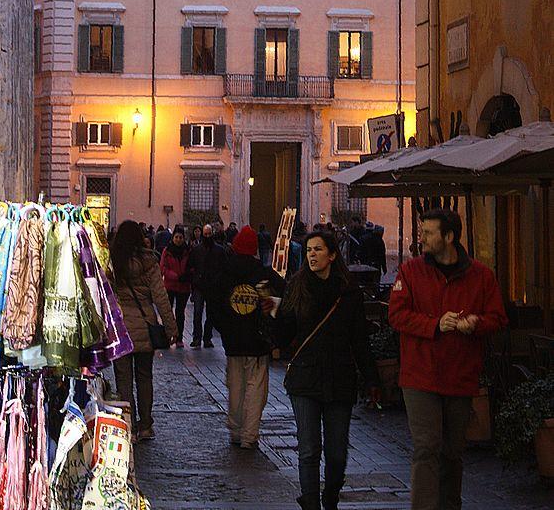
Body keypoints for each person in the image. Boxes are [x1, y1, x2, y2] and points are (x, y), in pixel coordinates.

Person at [389, 208, 507, 510]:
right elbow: (397, 315)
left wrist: (476, 323)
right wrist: (434, 324)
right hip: (420, 376)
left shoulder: (481, 276)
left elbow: (497, 317)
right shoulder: (411, 272)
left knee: (452, 453)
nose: (422, 238)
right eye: (421, 231)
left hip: (460, 376)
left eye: (428, 232)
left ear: (449, 237)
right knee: (427, 448)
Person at [264, 230, 379, 510]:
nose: (312, 255)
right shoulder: (297, 286)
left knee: (337, 453)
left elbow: (359, 340)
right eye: (309, 250)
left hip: (340, 378)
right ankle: (312, 504)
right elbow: (283, 336)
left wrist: (373, 379)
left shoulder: (348, 293)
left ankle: (331, 496)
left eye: (318, 249)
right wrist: (270, 313)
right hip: (305, 376)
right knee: (309, 448)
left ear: (332, 254)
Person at [211, 226, 285, 449]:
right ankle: (249, 435)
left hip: (232, 340)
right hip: (257, 340)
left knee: (235, 385)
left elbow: (213, 303)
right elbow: (282, 291)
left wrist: (223, 328)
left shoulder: (224, 272)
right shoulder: (262, 273)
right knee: (255, 388)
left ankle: (235, 430)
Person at [111, 220, 178, 440]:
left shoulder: (113, 261)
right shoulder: (148, 261)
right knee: (144, 377)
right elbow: (160, 297)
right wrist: (171, 327)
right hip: (145, 325)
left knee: (123, 380)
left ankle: (128, 425)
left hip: (120, 327)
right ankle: (146, 425)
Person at [188, 223, 225, 348]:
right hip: (200, 285)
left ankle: (206, 337)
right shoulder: (197, 250)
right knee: (198, 312)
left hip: (212, 285)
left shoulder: (219, 250)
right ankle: (197, 337)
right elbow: (191, 266)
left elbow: (223, 267)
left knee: (210, 313)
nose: (207, 236)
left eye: (209, 234)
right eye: (205, 234)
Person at [160, 224, 191, 348]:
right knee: (168, 312)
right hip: (170, 285)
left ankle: (179, 337)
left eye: (180, 237)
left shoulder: (188, 251)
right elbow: (163, 268)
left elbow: (191, 266)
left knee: (180, 313)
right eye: (176, 237)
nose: (178, 239)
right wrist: (176, 276)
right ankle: (168, 336)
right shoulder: (167, 251)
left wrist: (186, 275)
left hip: (183, 287)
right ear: (173, 238)